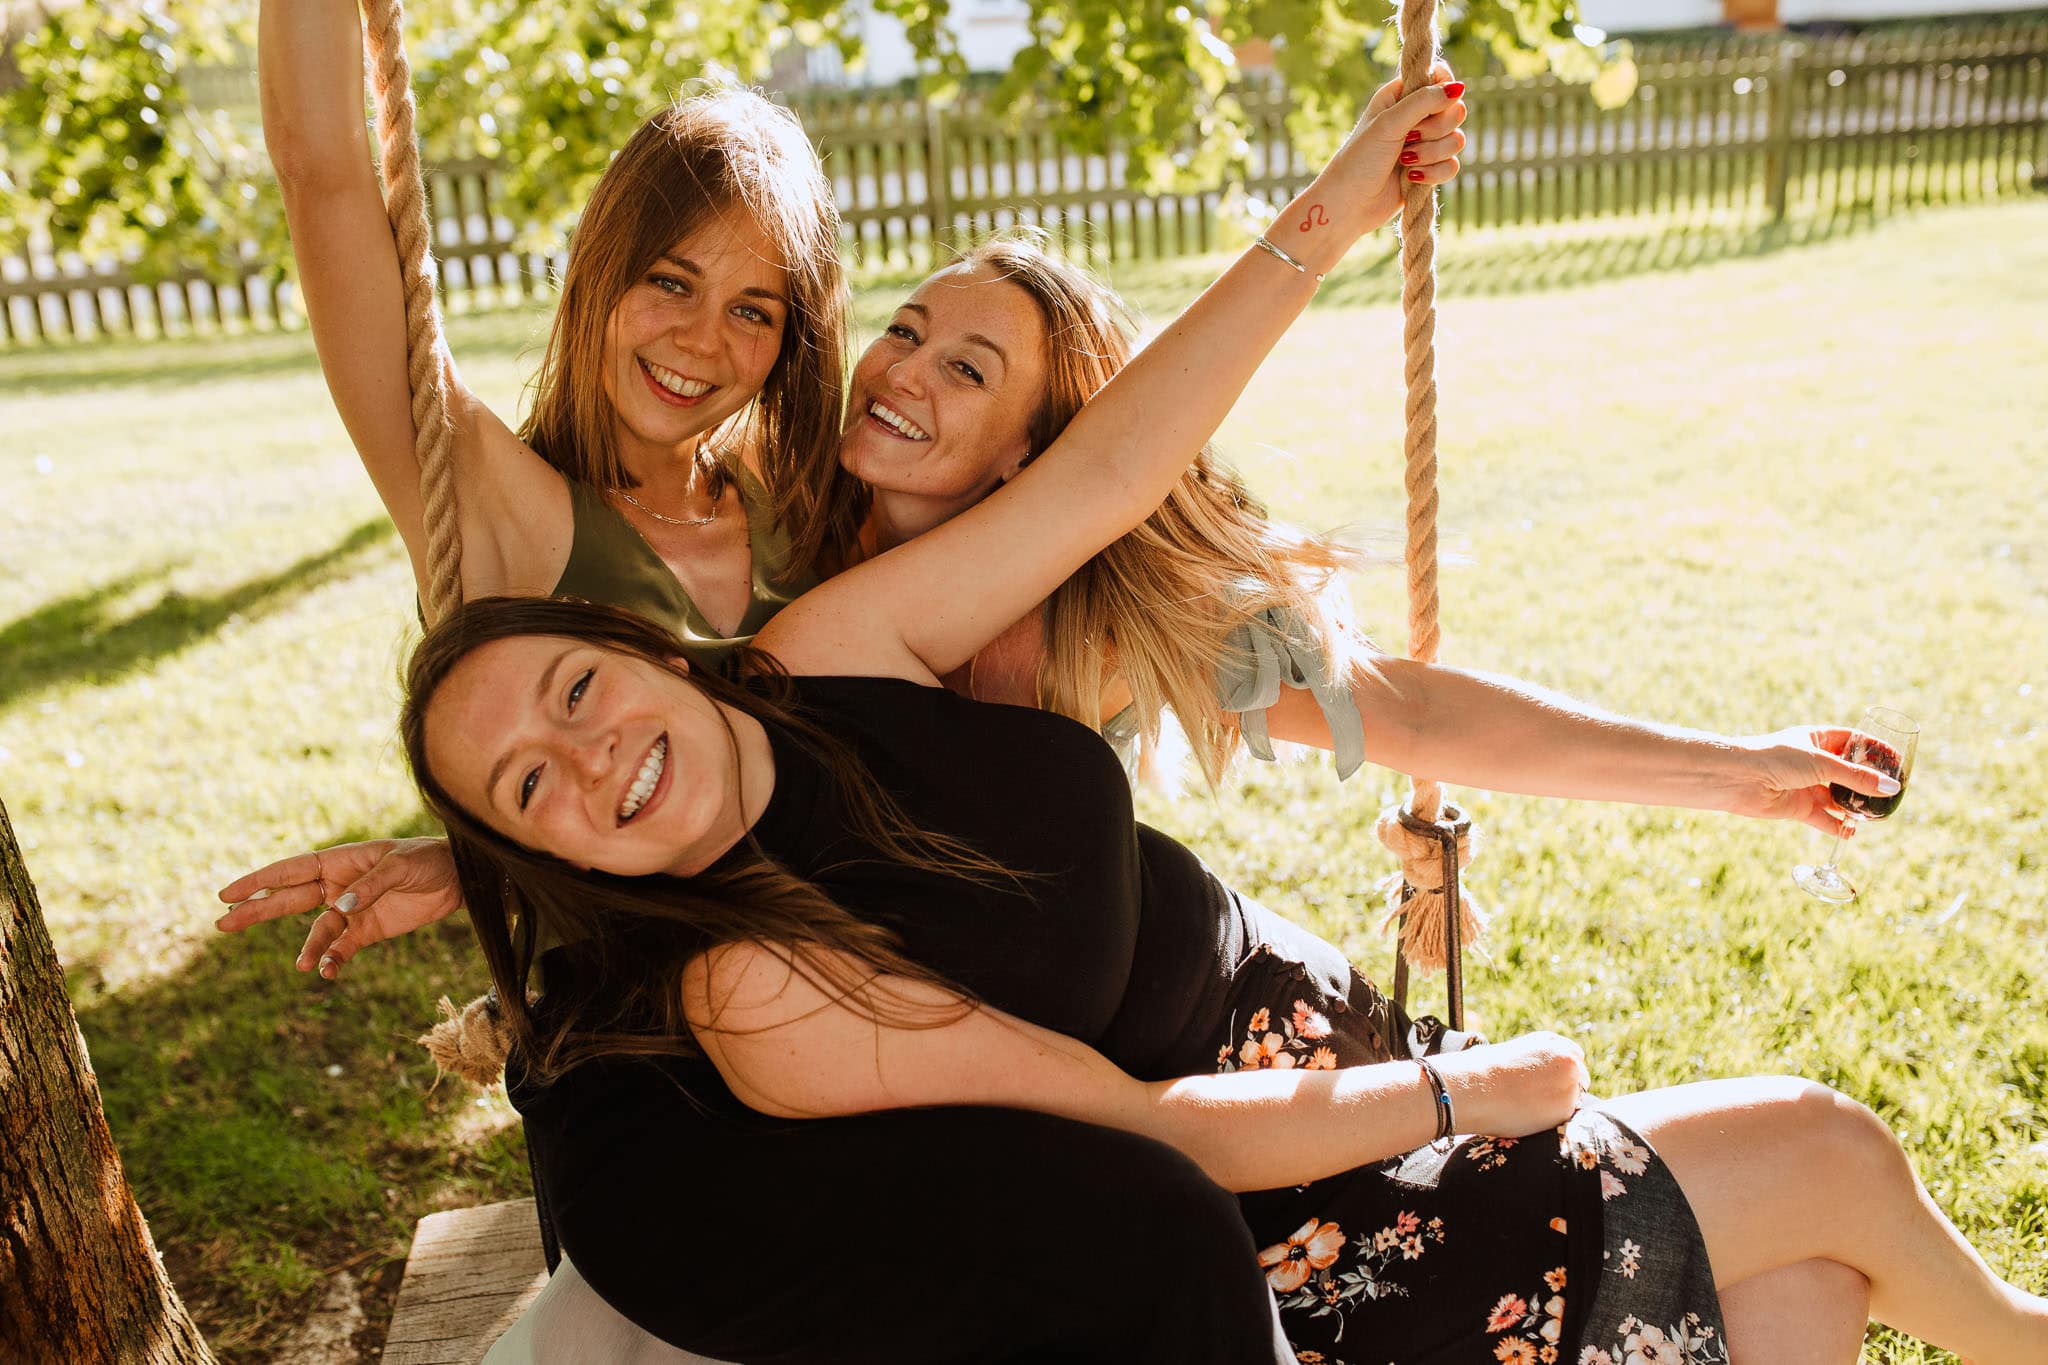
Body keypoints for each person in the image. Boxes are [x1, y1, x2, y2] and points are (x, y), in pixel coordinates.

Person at [382, 91, 2048, 1365]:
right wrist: (447, 858)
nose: (907, 375)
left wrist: (1730, 773)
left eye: (974, 370)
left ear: (1033, 457)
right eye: (903, 329)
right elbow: (638, 813)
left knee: (1803, 1270)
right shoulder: (780, 588)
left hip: (1276, 1062)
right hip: (1152, 1145)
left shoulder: (1096, 596)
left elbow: (1396, 704)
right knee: (1810, 1235)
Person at [261, 0, 860, 648]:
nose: (701, 340)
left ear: (788, 342)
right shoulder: (495, 509)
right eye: (669, 282)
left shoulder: (798, 493)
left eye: (751, 311)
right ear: (600, 269)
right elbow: (318, 168)